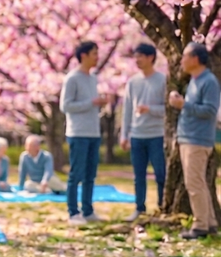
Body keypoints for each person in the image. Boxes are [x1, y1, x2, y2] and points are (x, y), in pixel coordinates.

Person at [169, 42, 220, 240]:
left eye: (185, 56)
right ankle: (210, 222)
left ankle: (200, 226)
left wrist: (183, 104)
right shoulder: (195, 80)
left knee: (194, 183)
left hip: (198, 139)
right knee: (198, 182)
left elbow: (209, 111)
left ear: (196, 58)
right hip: (188, 137)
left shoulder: (209, 82)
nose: (182, 61)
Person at [60, 41, 111, 225]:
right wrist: (92, 102)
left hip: (93, 132)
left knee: (91, 174)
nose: (97, 57)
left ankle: (88, 211)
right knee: (76, 174)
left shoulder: (92, 78)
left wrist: (99, 103)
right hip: (78, 132)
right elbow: (65, 106)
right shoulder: (72, 78)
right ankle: (73, 212)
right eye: (94, 53)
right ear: (83, 55)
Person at [120, 43, 167, 222]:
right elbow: (127, 110)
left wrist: (151, 109)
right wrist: (124, 135)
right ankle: (139, 208)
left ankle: (162, 207)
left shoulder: (162, 80)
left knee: (160, 174)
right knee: (138, 175)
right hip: (137, 135)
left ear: (151, 58)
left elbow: (168, 109)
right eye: (136, 56)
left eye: (141, 56)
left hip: (157, 134)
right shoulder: (133, 82)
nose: (137, 60)